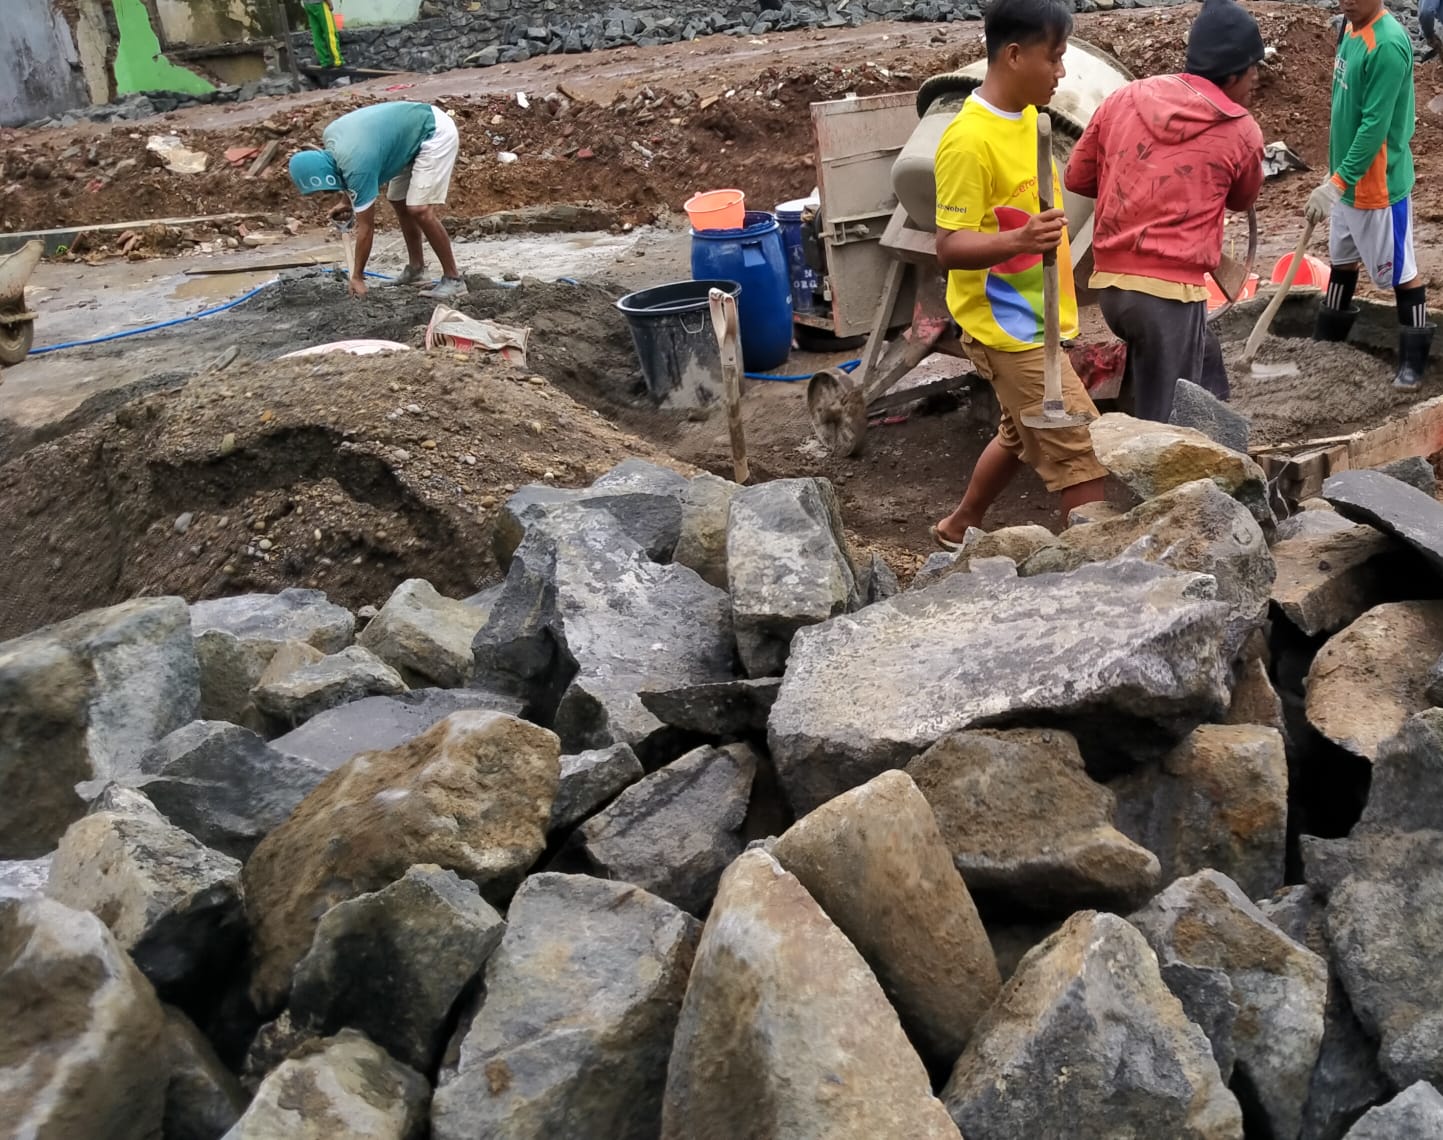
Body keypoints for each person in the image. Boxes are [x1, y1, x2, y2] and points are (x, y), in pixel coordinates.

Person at [930, 0, 1107, 547]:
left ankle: (957, 527)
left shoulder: (1032, 118)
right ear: (1012, 55)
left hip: (1039, 317)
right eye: (1053, 58)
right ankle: (1101, 576)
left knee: (1018, 431)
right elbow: (948, 246)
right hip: (1008, 328)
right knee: (1079, 448)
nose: (1061, 73)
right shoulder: (967, 141)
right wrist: (1019, 240)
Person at [1063, 0, 1265, 423]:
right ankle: (1165, 484)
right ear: (1231, 75)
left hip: (1114, 291)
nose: (1256, 80)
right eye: (1252, 71)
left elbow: (1078, 178)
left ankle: (1219, 433)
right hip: (1169, 299)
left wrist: (1136, 180)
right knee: (1169, 420)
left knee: (1204, 370)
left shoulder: (1127, 97)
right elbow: (1242, 200)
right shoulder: (1240, 129)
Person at [1307, 0, 1430, 389]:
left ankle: (1414, 364)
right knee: (1342, 260)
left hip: (1377, 186)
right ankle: (1326, 347)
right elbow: (1345, 110)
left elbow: (1374, 127)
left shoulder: (1388, 45)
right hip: (1345, 179)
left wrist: (1338, 182)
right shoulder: (1349, 26)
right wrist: (1335, 175)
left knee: (1400, 272)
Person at [289, 101, 466, 300]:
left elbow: (366, 227)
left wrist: (357, 277)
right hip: (406, 138)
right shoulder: (333, 139)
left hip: (433, 131)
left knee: (419, 209)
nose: (328, 192)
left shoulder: (357, 165)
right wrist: (346, 201)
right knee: (398, 200)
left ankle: (453, 280)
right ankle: (416, 269)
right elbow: (345, 169)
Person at [301, 0, 344, 70]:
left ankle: (325, 62)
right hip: (320, 3)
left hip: (308, 4)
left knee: (317, 34)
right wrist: (329, 2)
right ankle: (338, 61)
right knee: (330, 32)